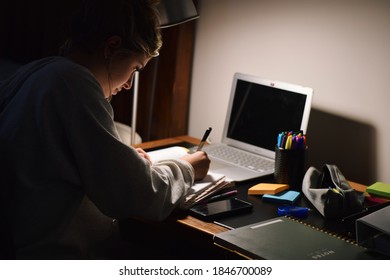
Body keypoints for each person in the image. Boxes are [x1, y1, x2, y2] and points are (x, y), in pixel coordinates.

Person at [0, 0, 210, 259]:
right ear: (112, 47)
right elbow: (137, 197)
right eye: (135, 68)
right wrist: (187, 168)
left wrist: (128, 161)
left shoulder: (40, 72)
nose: (129, 84)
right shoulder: (75, 85)